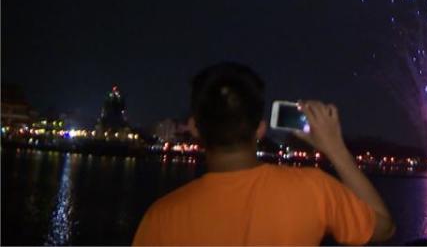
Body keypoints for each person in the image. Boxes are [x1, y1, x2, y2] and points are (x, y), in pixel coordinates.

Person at [133, 62, 395, 245]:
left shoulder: (161, 218)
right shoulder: (313, 189)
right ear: (260, 129)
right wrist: (335, 148)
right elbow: (384, 229)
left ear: (194, 128)